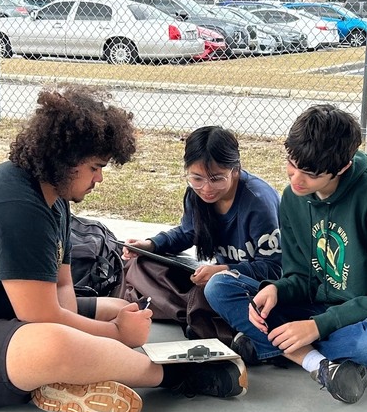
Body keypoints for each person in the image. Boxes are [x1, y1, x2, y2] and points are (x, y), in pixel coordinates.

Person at [0, 87, 247, 412]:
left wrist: (111, 325)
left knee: (110, 305)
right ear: (63, 160)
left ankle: (60, 380)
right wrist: (116, 335)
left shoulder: (52, 199)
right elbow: (40, 317)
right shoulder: (17, 206)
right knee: (56, 342)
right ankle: (172, 376)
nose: (100, 178)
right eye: (94, 167)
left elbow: (62, 288)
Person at [204, 104, 367, 404]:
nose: (296, 179)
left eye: (309, 174)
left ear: (343, 168)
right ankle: (318, 364)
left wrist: (317, 327)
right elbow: (302, 277)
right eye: (291, 164)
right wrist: (277, 290)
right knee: (220, 286)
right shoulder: (293, 198)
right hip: (315, 309)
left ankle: (270, 346)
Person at [120, 126, 281, 344]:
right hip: (220, 282)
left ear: (235, 169)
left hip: (255, 288)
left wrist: (225, 270)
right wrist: (150, 245)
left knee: (218, 288)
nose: (206, 188)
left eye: (216, 179)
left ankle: (226, 325)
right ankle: (204, 315)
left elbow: (274, 268)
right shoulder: (196, 196)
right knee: (142, 264)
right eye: (196, 178)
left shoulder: (258, 202)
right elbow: (187, 233)